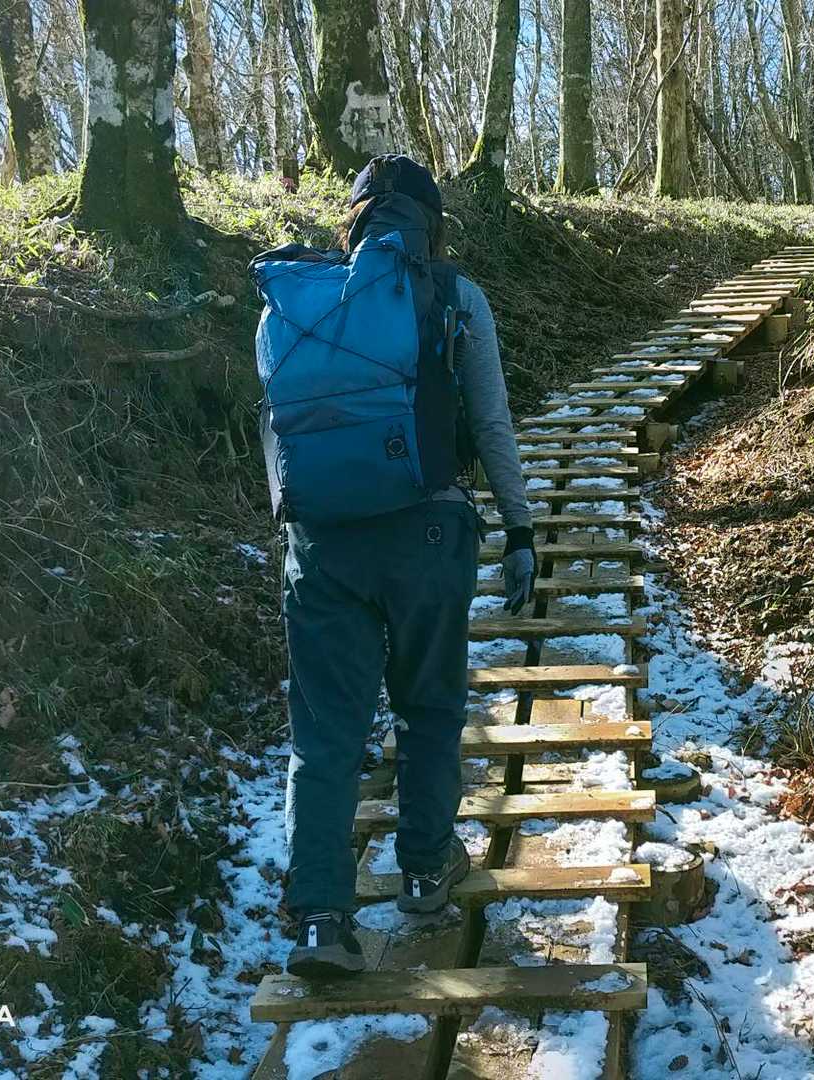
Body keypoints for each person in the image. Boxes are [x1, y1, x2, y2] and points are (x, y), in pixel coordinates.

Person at [272, 155, 534, 978]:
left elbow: (279, 434)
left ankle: (320, 917)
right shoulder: (456, 295)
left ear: (351, 221)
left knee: (325, 732)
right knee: (428, 707)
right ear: (432, 226)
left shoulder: (298, 299)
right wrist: (520, 528)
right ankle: (423, 871)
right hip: (428, 533)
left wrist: (299, 535)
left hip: (322, 546)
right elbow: (490, 422)